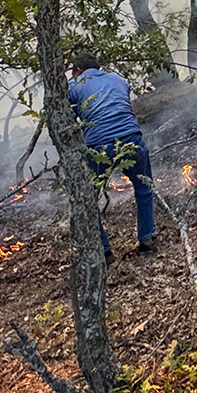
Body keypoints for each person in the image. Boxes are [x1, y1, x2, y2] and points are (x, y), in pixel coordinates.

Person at [68, 52, 156, 259]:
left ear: (78, 70)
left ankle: (104, 251)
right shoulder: (118, 79)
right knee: (143, 186)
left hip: (98, 146)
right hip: (131, 138)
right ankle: (147, 238)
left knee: (89, 198)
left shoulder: (75, 85)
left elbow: (67, 114)